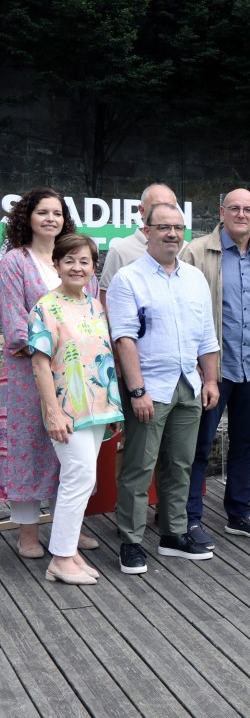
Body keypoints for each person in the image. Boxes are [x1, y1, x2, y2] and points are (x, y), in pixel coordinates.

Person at [108, 204, 220, 574]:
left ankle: (173, 534)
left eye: (178, 227)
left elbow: (207, 335)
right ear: (147, 231)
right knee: (139, 468)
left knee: (180, 464)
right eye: (163, 227)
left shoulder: (194, 278)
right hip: (150, 389)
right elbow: (124, 338)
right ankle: (131, 542)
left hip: (188, 385)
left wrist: (210, 380)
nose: (172, 233)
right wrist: (137, 391)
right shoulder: (128, 278)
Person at [0, 187, 97, 560]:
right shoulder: (14, 262)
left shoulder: (71, 258)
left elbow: (87, 312)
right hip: (28, 372)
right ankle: (27, 533)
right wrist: (51, 350)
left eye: (57, 213)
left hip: (73, 374)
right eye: (42, 212)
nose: (50, 219)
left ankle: (67, 528)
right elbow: (14, 325)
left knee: (70, 449)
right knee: (29, 449)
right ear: (27, 217)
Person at [180, 188, 250, 546]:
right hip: (210, 370)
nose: (241, 214)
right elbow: (182, 310)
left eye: (248, 209)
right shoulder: (194, 252)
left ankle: (239, 512)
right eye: (234, 208)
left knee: (244, 443)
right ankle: (189, 518)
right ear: (221, 212)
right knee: (198, 445)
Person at [28, 234, 123, 584]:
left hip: (98, 408)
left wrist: (112, 406)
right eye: (69, 260)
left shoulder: (95, 305)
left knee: (84, 479)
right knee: (78, 477)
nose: (77, 267)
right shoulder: (45, 307)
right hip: (67, 411)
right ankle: (61, 559)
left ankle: (68, 550)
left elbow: (103, 357)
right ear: (56, 265)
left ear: (93, 267)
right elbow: (39, 364)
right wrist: (52, 411)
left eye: (84, 261)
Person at [98, 183, 178, 309]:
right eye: (156, 206)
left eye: (169, 207)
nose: (163, 213)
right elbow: (107, 299)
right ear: (141, 210)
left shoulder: (185, 249)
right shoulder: (120, 251)